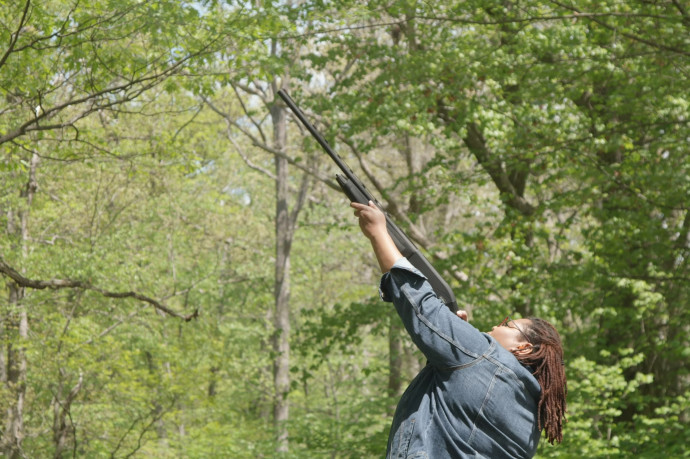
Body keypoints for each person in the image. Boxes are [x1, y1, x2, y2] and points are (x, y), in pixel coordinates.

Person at [351, 201, 567, 459]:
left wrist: (378, 231)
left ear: (522, 347)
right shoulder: (529, 417)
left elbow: (422, 307)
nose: (498, 324)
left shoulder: (484, 357)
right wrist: (455, 347)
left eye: (507, 323)